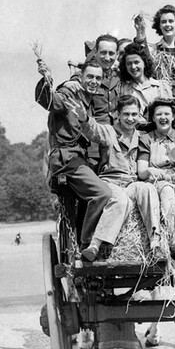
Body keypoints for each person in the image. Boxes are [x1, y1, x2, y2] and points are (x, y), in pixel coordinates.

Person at [36, 58, 119, 253]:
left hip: (79, 159)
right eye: (90, 77)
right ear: (80, 77)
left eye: (98, 78)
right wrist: (46, 80)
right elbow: (50, 101)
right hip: (67, 159)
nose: (94, 81)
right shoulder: (69, 95)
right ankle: (87, 242)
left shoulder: (88, 101)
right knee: (103, 194)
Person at [70, 94, 164, 261]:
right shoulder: (108, 131)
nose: (130, 118)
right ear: (118, 115)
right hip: (111, 181)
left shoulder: (142, 136)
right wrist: (84, 118)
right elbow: (93, 130)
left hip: (132, 183)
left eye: (134, 114)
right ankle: (95, 245)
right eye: (126, 114)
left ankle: (155, 243)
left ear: (139, 115)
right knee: (121, 200)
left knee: (148, 189)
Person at [137, 97, 175, 259]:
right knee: (167, 190)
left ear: (173, 116)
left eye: (167, 114)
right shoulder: (146, 139)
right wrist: (151, 170)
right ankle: (171, 233)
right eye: (159, 114)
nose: (163, 117)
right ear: (153, 118)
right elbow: (141, 171)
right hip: (158, 180)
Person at [117, 42, 172, 125]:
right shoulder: (123, 89)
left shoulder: (161, 87)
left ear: (144, 63)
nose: (133, 67)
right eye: (129, 64)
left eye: (136, 62)